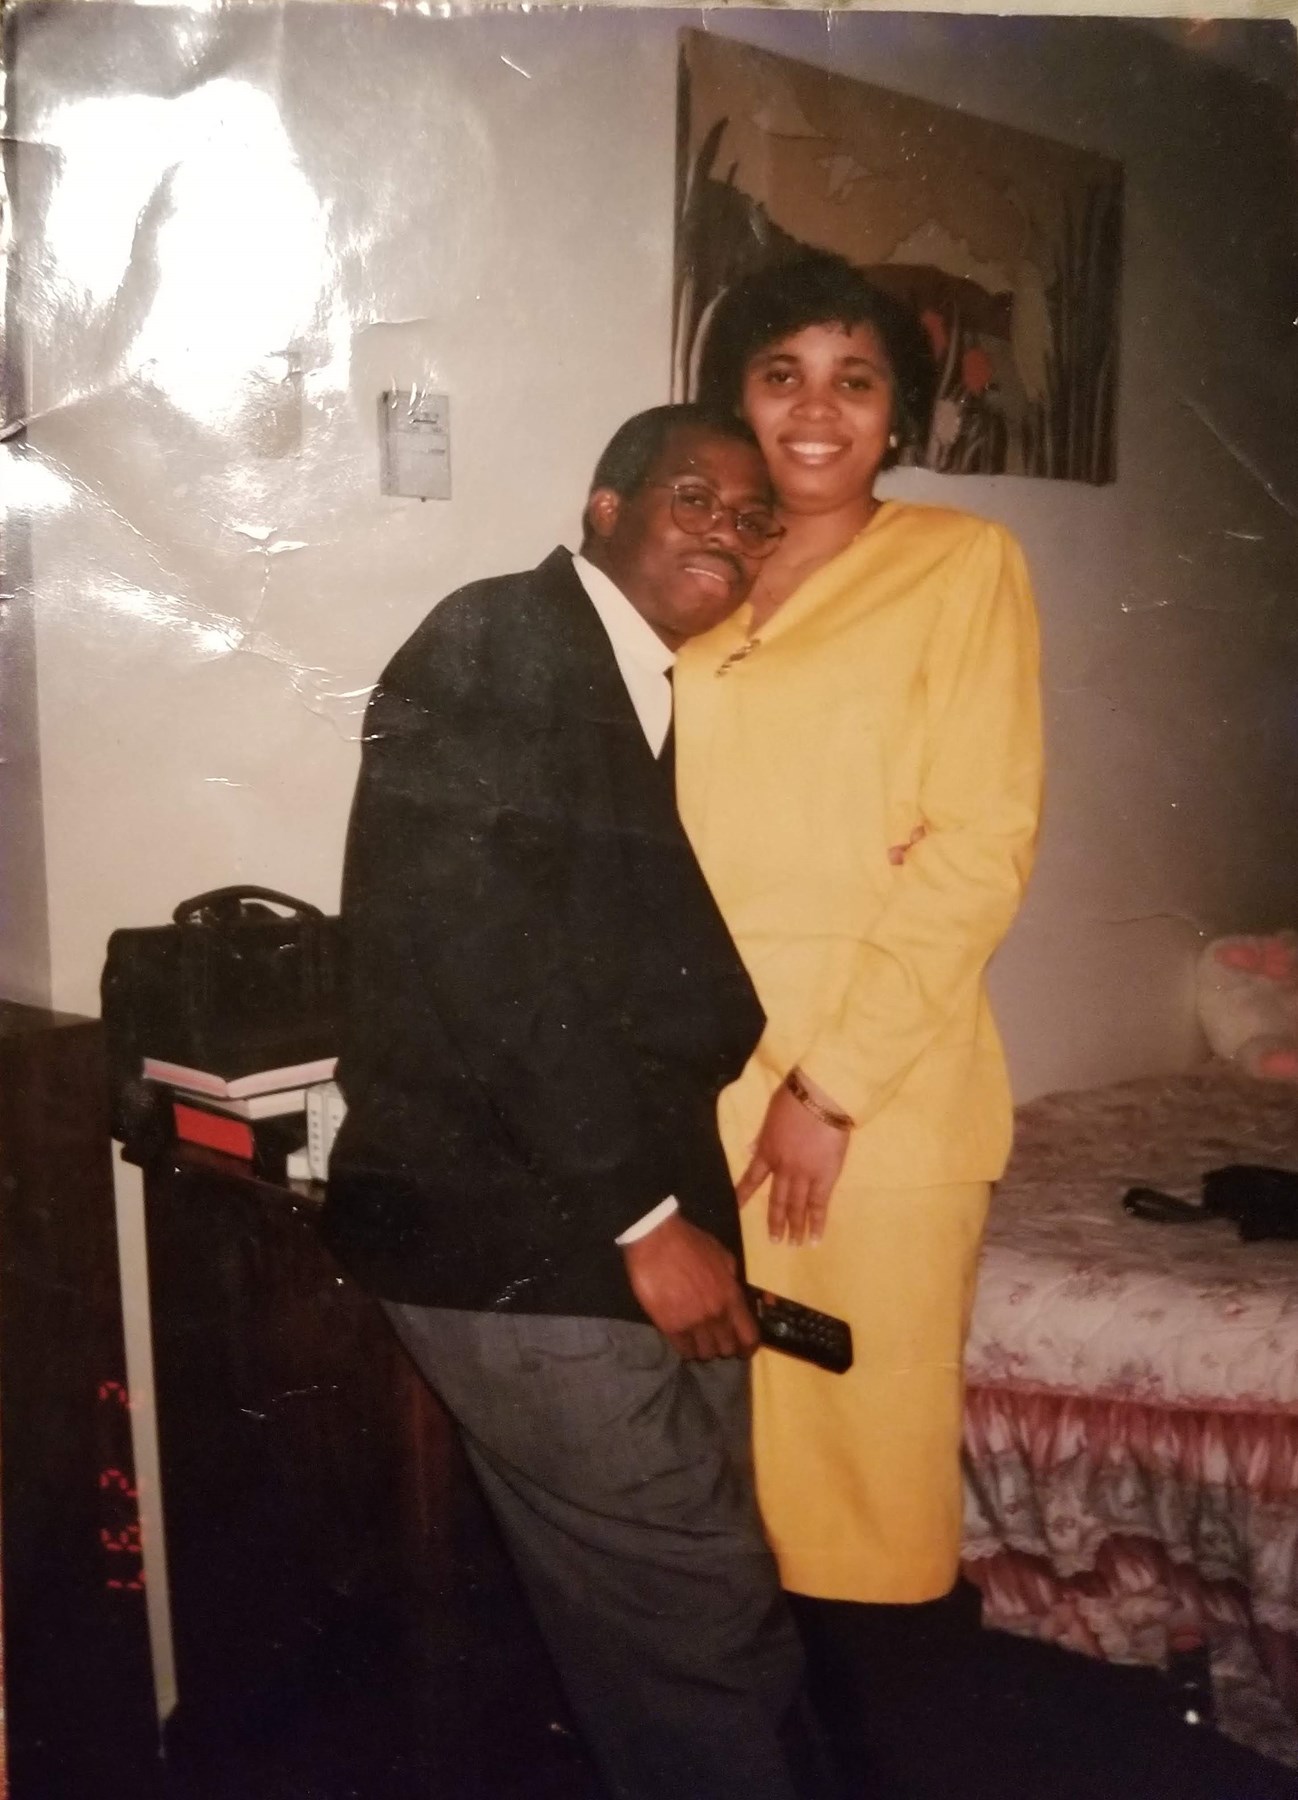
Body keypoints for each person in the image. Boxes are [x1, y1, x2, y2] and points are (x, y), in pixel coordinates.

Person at [321, 404, 834, 1800]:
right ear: (606, 508)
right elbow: (485, 955)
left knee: (717, 1601)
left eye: (754, 518)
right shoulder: (502, 638)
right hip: (526, 1230)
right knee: (700, 1621)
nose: (728, 532)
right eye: (694, 498)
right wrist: (646, 1218)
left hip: (605, 1210)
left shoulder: (626, 679)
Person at [677, 252, 1043, 1748]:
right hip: (696, 1100)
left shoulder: (959, 563)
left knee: (864, 1507)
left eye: (855, 379)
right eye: (781, 375)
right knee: (724, 1504)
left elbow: (978, 848)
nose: (815, 411)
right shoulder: (689, 578)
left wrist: (828, 1090)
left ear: (898, 412)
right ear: (735, 397)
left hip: (868, 1113)